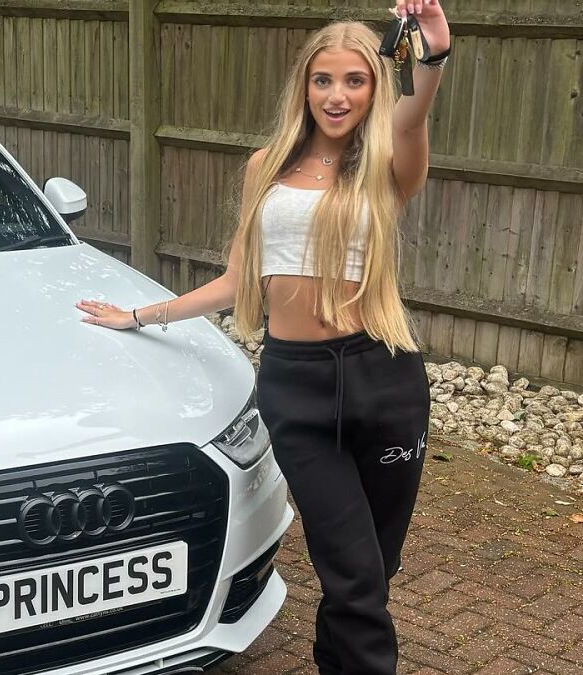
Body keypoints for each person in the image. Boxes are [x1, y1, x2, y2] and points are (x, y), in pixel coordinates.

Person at [76, 2, 450, 673]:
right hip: (296, 389)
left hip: (384, 381)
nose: (337, 95)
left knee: (369, 569)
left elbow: (415, 112)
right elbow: (235, 278)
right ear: (304, 87)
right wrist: (138, 316)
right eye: (323, 79)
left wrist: (433, 58)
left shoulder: (387, 166)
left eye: (356, 80)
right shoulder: (265, 168)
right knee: (355, 573)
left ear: (374, 88)